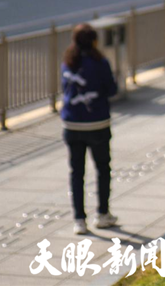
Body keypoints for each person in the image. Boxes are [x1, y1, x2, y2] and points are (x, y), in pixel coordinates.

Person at [60, 22, 119, 235]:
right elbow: (111, 89)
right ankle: (103, 214)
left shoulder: (67, 63)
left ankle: (79, 220)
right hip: (97, 123)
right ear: (94, 41)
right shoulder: (100, 62)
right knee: (103, 168)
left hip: (72, 124)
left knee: (77, 172)